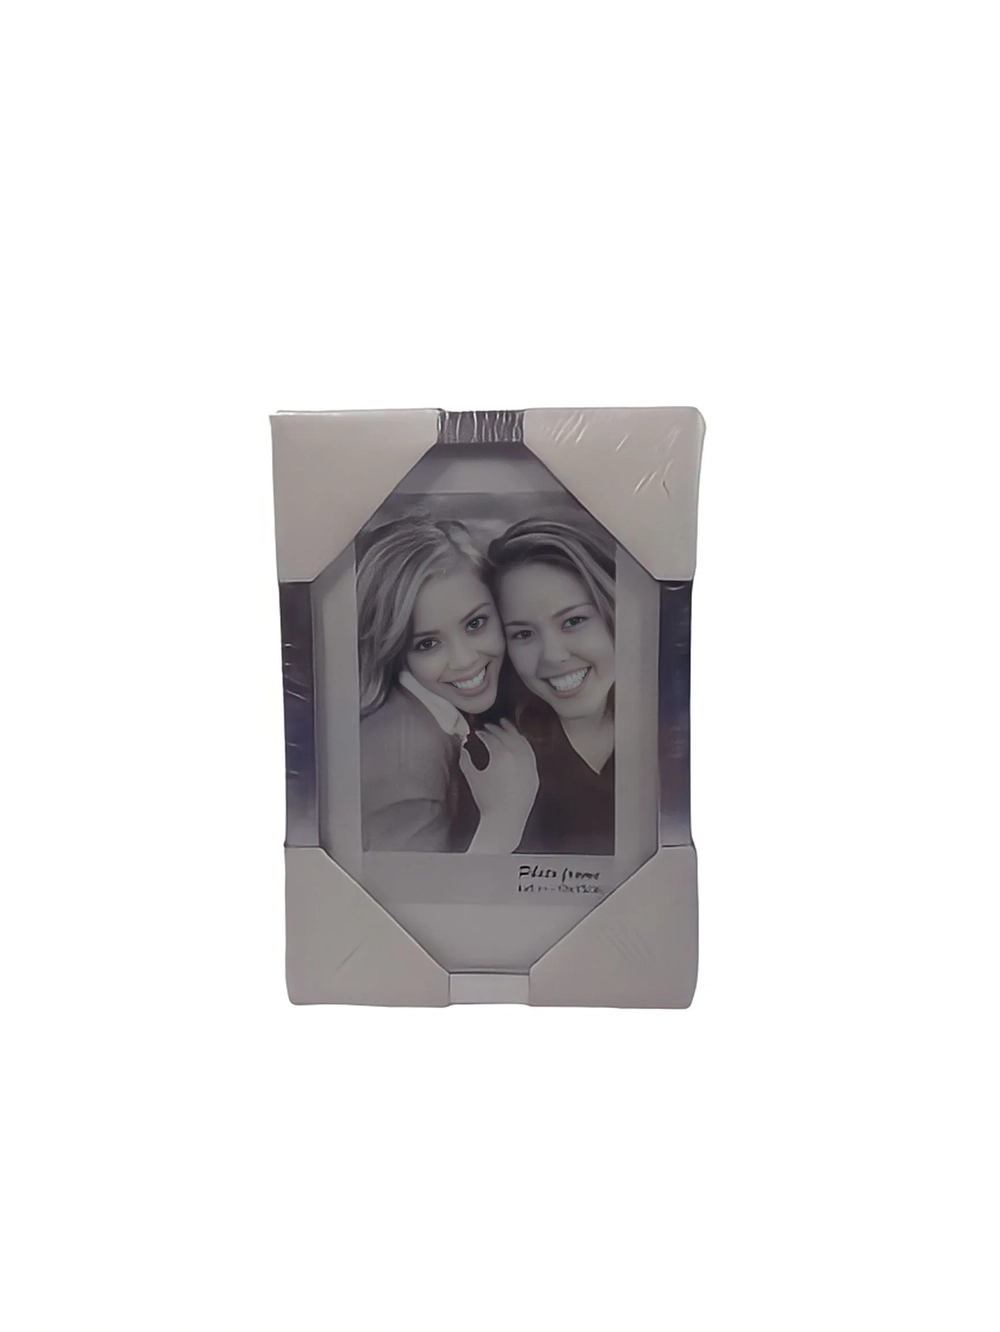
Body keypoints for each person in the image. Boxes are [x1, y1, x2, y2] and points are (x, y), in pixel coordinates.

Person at [357, 516, 537, 853]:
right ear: (396, 652)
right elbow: (409, 886)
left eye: (475, 624)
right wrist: (503, 820)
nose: (464, 660)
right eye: (428, 644)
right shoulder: (402, 753)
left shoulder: (447, 715)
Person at [488, 519, 616, 855]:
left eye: (573, 621)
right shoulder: (492, 760)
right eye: (523, 634)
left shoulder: (673, 731)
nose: (553, 655)